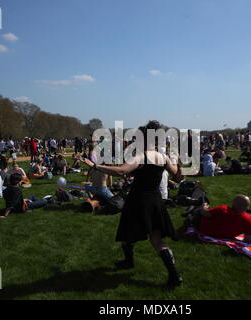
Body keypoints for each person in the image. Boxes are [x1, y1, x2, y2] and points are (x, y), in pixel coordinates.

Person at [79, 120, 184, 287]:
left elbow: (121, 171)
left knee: (128, 232)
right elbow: (178, 178)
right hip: (155, 201)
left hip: (138, 200)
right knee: (156, 241)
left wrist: (95, 166)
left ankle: (129, 261)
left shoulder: (141, 156)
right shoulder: (163, 157)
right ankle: (174, 275)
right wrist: (178, 165)